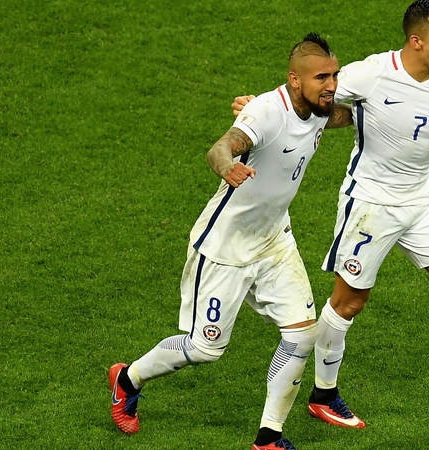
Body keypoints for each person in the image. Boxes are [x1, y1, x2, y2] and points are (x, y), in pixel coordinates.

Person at [232, 0, 429, 434]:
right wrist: (262, 108)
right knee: (349, 302)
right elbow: (313, 96)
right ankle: (323, 395)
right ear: (417, 41)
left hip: (421, 202)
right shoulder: (373, 73)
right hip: (370, 205)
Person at [109, 33, 352, 450]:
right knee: (205, 349)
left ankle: (268, 438)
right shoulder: (265, 113)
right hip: (226, 247)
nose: (330, 85)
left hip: (275, 239)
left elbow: (345, 116)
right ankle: (127, 379)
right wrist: (227, 168)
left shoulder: (319, 109)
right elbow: (221, 147)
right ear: (295, 79)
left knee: (301, 335)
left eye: (334, 75)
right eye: (321, 78)